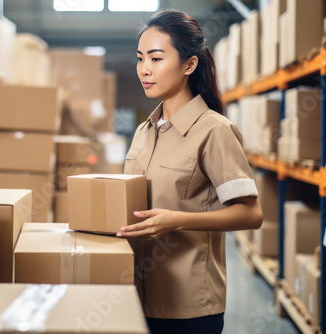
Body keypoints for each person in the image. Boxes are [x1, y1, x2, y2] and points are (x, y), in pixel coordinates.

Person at [116, 9, 263, 334]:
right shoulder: (144, 131)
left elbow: (251, 214)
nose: (144, 69)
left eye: (156, 59)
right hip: (135, 297)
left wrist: (178, 219)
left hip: (188, 307)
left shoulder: (214, 131)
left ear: (189, 64)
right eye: (141, 58)